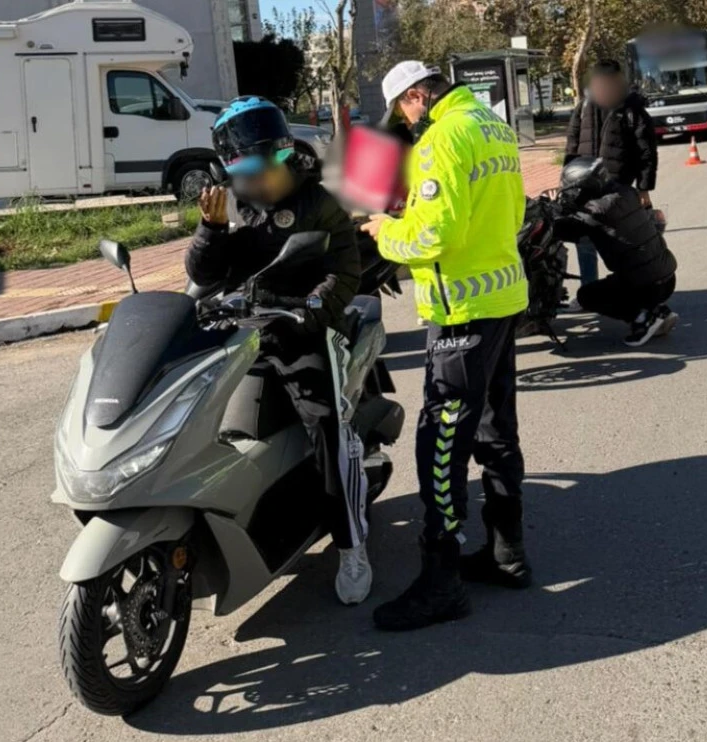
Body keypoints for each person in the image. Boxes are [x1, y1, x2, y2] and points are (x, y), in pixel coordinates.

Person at [360, 61, 531, 631]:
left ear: (416, 95)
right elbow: (510, 210)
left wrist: (387, 231)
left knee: (441, 442)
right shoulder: (492, 125)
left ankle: (442, 582)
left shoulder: (441, 137)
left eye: (404, 113)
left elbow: (434, 235)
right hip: (502, 297)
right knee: (495, 432)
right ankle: (508, 555)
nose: (406, 125)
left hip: (460, 310)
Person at [185, 97, 373, 606]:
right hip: (243, 330)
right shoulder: (230, 205)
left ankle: (352, 545)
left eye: (267, 168)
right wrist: (210, 230)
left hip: (303, 328)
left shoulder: (318, 202)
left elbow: (345, 271)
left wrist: (311, 309)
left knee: (327, 425)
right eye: (246, 173)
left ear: (284, 155)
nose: (260, 181)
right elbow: (204, 275)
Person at [556, 157, 678, 347]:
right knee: (628, 273)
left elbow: (564, 230)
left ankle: (642, 318)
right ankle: (656, 310)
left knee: (587, 296)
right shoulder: (626, 192)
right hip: (667, 278)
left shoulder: (595, 211)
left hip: (645, 284)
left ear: (584, 186)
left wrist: (554, 215)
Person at [563, 59, 659, 298]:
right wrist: (566, 183)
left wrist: (644, 188)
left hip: (618, 187)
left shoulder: (631, 108)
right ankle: (589, 290)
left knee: (625, 243)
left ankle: (636, 292)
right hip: (584, 187)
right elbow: (572, 145)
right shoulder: (584, 106)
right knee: (585, 240)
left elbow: (646, 151)